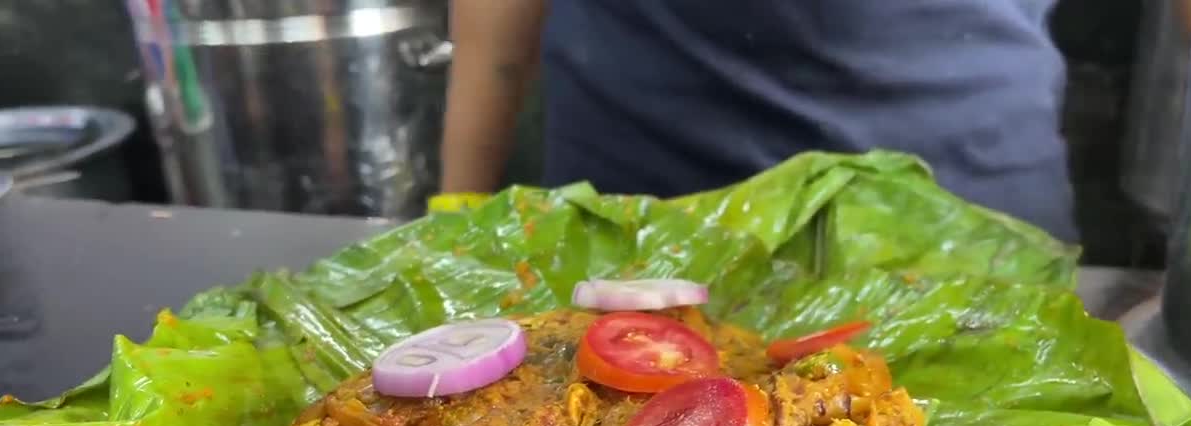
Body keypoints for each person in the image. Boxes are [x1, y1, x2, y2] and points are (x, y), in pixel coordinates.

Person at [440, 0, 1077, 241]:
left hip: (960, 222)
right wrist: (460, 212)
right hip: (631, 224)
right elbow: (495, 24)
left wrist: (1181, 279)